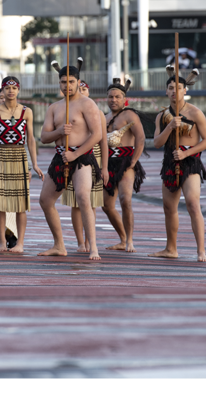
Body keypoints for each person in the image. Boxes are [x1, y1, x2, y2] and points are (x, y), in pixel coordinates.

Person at [38, 57, 102, 260]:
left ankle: (93, 247)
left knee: (83, 197)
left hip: (81, 156)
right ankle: (59, 244)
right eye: (63, 82)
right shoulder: (54, 107)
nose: (67, 86)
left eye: (71, 82)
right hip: (60, 157)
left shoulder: (87, 104)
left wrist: (76, 153)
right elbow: (44, 137)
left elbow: (97, 134)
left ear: (78, 82)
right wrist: (59, 131)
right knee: (45, 200)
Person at [150, 66, 206, 262]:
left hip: (190, 162)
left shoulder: (195, 113)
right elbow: (157, 143)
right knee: (169, 207)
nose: (173, 91)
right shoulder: (162, 116)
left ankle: (201, 251)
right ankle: (171, 248)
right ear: (166, 91)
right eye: (170, 87)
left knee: (193, 204)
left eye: (178, 87)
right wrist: (170, 126)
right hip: (170, 161)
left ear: (185, 90)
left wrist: (186, 154)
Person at [0, 77, 43, 253]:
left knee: (20, 203)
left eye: (14, 87)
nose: (10, 90)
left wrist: (34, 164)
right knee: (0, 203)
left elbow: (30, 139)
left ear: (18, 90)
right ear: (2, 89)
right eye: (7, 87)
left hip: (19, 156)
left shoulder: (26, 112)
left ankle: (20, 243)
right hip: (0, 155)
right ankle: (2, 241)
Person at [102, 78, 148, 253]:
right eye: (111, 97)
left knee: (125, 200)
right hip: (108, 163)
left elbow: (141, 139)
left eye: (117, 97)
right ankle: (122, 238)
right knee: (106, 206)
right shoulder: (104, 117)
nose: (114, 100)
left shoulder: (130, 115)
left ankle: (130, 240)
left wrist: (134, 162)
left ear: (124, 99)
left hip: (126, 162)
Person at [62, 79, 106, 253]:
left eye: (84, 89)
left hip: (92, 159)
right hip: (71, 157)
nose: (81, 91)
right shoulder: (68, 109)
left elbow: (102, 142)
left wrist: (105, 168)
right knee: (75, 202)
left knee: (90, 202)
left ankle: (90, 241)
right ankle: (80, 242)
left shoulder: (96, 111)